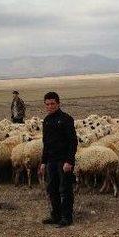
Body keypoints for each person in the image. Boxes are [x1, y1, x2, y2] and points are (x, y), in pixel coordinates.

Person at [39, 92, 78, 227]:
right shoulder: (47, 121)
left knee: (65, 189)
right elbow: (46, 143)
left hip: (63, 160)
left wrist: (69, 161)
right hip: (51, 160)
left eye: (52, 104)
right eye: (47, 104)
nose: (50, 106)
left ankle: (67, 217)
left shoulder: (66, 119)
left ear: (58, 103)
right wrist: (43, 162)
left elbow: (73, 142)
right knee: (52, 188)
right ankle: (55, 215)